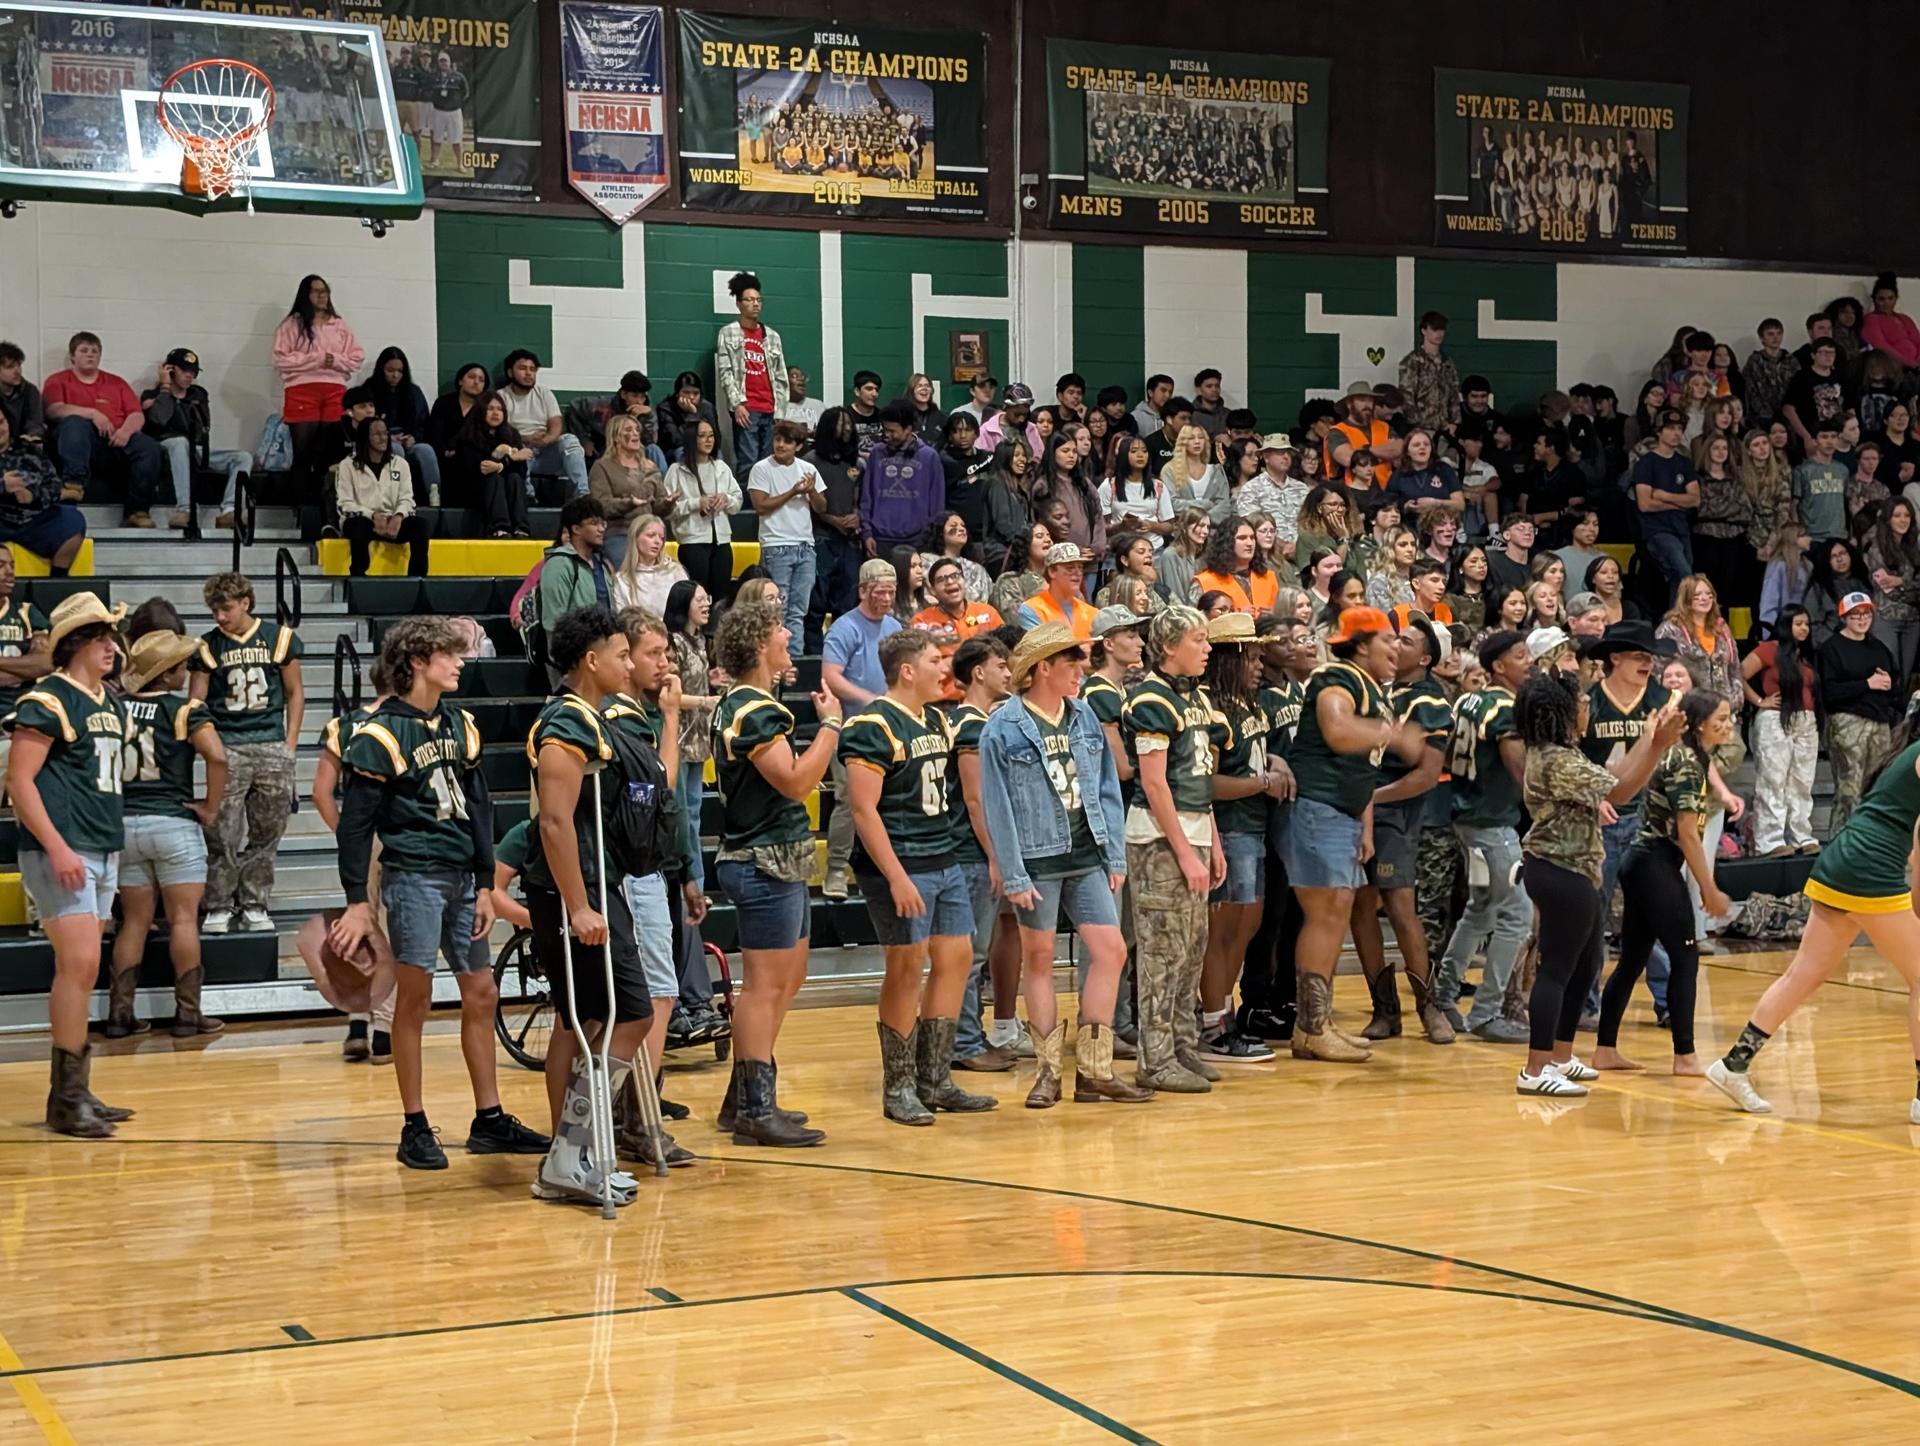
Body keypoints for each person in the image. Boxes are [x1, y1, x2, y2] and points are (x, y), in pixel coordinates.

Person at [331, 618, 543, 1171]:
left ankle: (489, 1118)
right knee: (415, 1000)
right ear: (417, 662)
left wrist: (483, 883)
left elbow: (480, 810)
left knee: (482, 995)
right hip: (413, 877)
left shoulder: (461, 724)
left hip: (460, 880)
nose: (461, 662)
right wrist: (358, 899)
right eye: (449, 655)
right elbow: (355, 826)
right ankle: (415, 1122)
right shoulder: (378, 735)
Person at [1707, 718, 1920, 1118]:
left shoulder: (1905, 758)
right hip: (1869, 867)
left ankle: (1734, 1064)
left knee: (1802, 975)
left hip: (1843, 857)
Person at [978, 623, 1147, 1107]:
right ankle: (1048, 1072)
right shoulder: (1003, 726)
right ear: (1042, 669)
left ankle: (1094, 1071)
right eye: (1071, 663)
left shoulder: (1084, 716)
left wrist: (1113, 852)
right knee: (1039, 959)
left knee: (1111, 950)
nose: (1080, 671)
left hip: (1086, 854)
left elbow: (1106, 790)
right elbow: (997, 807)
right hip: (1036, 860)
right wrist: (1012, 872)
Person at [513, 609, 650, 1202]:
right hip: (574, 894)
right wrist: (577, 905)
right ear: (592, 662)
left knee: (605, 1019)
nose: (629, 663)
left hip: (599, 884)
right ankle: (567, 1156)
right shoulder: (566, 722)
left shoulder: (590, 717)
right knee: (629, 1013)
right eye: (621, 654)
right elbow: (553, 820)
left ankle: (576, 1152)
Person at [839, 630, 996, 1123]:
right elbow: (864, 811)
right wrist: (897, 877)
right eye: (934, 661)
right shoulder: (871, 725)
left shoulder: (937, 720)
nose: (943, 670)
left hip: (943, 855)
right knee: (906, 968)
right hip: (901, 864)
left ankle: (935, 1078)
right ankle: (899, 1086)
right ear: (907, 670)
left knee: (957, 957)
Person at [1512, 673, 1684, 1096]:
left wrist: (1649, 737)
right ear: (1562, 712)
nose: (1587, 705)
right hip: (1559, 869)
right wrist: (1659, 745)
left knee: (1587, 964)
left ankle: (1561, 1056)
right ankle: (1535, 1070)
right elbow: (1622, 792)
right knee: (1556, 968)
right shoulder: (1557, 761)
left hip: (1575, 868)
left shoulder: (1562, 754)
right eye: (1580, 702)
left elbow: (1617, 775)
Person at [710, 601, 839, 1143]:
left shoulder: (755, 702)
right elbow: (794, 781)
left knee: (789, 977)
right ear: (761, 644)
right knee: (762, 988)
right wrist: (831, 727)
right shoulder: (752, 709)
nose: (789, 635)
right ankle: (756, 1112)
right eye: (779, 629)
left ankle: (742, 1097)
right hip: (760, 858)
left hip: (780, 857)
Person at [11, 595, 130, 1135]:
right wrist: (58, 847)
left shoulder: (110, 700)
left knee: (86, 967)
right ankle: (65, 1099)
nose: (113, 647)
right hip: (63, 846)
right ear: (75, 644)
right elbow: (19, 782)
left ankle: (76, 1087)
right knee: (77, 965)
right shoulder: (48, 698)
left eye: (113, 637)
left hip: (103, 843)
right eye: (102, 638)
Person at [1283, 605, 1420, 1061]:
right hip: (1318, 809)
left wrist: (1364, 827)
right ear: (1360, 645)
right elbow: (1338, 731)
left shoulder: (1374, 690)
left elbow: (1365, 769)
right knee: (1326, 913)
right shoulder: (1334, 677)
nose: (1396, 648)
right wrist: (1393, 735)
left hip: (1342, 814)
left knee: (1336, 912)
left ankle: (1315, 1025)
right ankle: (1311, 1027)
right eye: (1387, 640)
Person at [603, 609, 703, 1166]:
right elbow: (661, 789)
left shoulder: (632, 712)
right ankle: (639, 1117)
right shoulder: (628, 717)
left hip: (655, 867)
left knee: (650, 997)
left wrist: (686, 869)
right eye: (653, 655)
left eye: (667, 654)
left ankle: (633, 1111)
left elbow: (674, 815)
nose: (665, 664)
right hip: (633, 873)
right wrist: (669, 718)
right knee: (657, 996)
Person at [1594, 688, 1735, 1076]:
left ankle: (1605, 1050)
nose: (1728, 725)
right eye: (1720, 718)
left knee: (1634, 959)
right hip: (1654, 861)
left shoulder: (1690, 756)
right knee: (1685, 955)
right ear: (1698, 723)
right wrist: (1709, 890)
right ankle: (1685, 1056)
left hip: (1644, 861)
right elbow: (1688, 834)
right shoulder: (1687, 762)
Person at [1120, 607, 1229, 1089]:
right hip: (1159, 840)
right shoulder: (1149, 700)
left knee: (1193, 947)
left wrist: (1213, 841)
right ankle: (1155, 1057)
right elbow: (1154, 783)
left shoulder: (1199, 699)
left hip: (1195, 831)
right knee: (1162, 951)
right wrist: (1185, 851)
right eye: (1199, 640)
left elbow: (1199, 781)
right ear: (1169, 647)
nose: (1207, 649)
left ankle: (1184, 1045)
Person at [108, 630, 229, 1039]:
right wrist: (210, 807)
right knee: (182, 920)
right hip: (172, 821)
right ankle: (188, 1015)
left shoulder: (112, 708)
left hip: (123, 824)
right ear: (165, 675)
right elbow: (217, 755)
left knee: (134, 923)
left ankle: (120, 1015)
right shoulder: (185, 711)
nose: (184, 671)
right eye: (179, 666)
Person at [1352, 614, 1457, 1044]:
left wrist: (1373, 799)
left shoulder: (1429, 701)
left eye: (1407, 642)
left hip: (1394, 813)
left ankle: (1429, 1005)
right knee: (1359, 906)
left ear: (1426, 657)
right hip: (1357, 809)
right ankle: (1384, 1009)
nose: (1397, 646)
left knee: (1400, 907)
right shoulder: (1375, 690)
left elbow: (1427, 775)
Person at [1432, 629, 1534, 1042]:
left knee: (1481, 909)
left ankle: (1442, 995)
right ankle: (1486, 1012)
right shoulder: (1505, 707)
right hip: (1492, 822)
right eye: (1521, 655)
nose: (1529, 661)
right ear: (1498, 666)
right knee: (1518, 915)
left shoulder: (1469, 698)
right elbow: (1517, 767)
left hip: (1466, 814)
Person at [1196, 611, 1289, 1061]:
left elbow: (1258, 758)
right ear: (1229, 660)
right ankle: (1213, 1024)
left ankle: (1222, 1014)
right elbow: (1206, 783)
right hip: (1230, 828)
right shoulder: (1213, 709)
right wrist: (1259, 784)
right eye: (1250, 656)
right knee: (1224, 933)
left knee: (1246, 929)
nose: (1259, 663)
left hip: (1255, 827)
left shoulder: (1251, 704)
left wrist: (1276, 766)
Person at [189, 572, 302, 933]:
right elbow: (196, 702)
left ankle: (255, 902)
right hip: (228, 745)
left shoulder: (279, 639)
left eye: (225, 609)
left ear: (245, 603)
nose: (220, 617)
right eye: (214, 610)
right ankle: (219, 903)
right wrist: (209, 747)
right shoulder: (207, 646)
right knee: (222, 831)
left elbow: (295, 692)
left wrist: (290, 744)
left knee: (268, 830)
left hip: (271, 742)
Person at [819, 560, 904, 898]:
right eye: (880, 592)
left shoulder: (894, 624)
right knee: (847, 798)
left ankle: (882, 865)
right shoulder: (845, 628)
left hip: (887, 728)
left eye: (891, 592)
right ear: (864, 591)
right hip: (851, 728)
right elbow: (831, 676)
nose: (886, 599)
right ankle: (837, 868)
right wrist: (869, 698)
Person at [43, 331, 165, 523]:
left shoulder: (117, 383)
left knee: (149, 447)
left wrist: (126, 431)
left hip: (115, 440)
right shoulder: (57, 380)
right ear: (73, 357)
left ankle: (137, 511)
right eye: (84, 350)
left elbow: (136, 414)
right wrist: (92, 413)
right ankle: (73, 484)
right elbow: (54, 410)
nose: (90, 354)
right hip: (78, 442)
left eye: (95, 351)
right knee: (75, 423)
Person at [270, 279, 363, 508]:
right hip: (302, 390)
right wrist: (317, 359)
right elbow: (280, 359)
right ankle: (301, 508)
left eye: (325, 291)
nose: (322, 296)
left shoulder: (339, 324)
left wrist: (335, 360)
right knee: (303, 454)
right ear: (306, 294)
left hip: (334, 390)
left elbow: (356, 357)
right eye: (317, 291)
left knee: (329, 454)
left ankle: (327, 507)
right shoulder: (292, 324)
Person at [1819, 591, 1902, 831]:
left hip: (1879, 723)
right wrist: (1866, 684)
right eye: (1855, 615)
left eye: (1866, 614)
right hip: (1847, 722)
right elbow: (1829, 691)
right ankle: (1841, 844)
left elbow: (1896, 689)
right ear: (1844, 617)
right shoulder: (1831, 648)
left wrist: (1888, 685)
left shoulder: (1879, 647)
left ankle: (1870, 841)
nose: (1862, 619)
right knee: (1849, 790)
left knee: (1878, 788)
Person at [1744, 605, 1820, 856]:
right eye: (1798, 623)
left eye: (1806, 624)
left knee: (1802, 780)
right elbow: (1737, 674)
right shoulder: (1769, 649)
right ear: (1786, 625)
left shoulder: (1803, 655)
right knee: (1773, 779)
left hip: (1805, 720)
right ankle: (1770, 840)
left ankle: (1801, 835)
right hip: (1776, 717)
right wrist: (1758, 700)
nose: (1804, 628)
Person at [748, 419, 823, 645]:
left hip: (805, 547)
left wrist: (811, 492)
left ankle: (794, 665)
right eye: (777, 439)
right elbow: (760, 506)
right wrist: (793, 491)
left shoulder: (808, 469)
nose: (780, 445)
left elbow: (822, 507)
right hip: (776, 546)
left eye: (787, 441)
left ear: (798, 446)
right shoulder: (761, 468)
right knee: (776, 611)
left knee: (798, 612)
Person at [334, 417, 428, 577]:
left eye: (385, 433)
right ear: (365, 437)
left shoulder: (400, 464)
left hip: (392, 521)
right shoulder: (347, 465)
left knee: (420, 525)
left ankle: (417, 578)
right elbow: (344, 503)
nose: (383, 438)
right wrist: (372, 515)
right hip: (364, 520)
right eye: (377, 434)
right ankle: (358, 575)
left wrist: (398, 516)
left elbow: (407, 499)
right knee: (358, 527)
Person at [715, 271, 786, 474]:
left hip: (770, 409)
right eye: (749, 300)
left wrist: (780, 410)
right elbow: (725, 371)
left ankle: (764, 505)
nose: (755, 304)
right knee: (748, 463)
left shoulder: (772, 336)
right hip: (748, 408)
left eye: (758, 300)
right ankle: (748, 506)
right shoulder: (728, 332)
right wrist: (737, 404)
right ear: (738, 303)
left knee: (769, 465)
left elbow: (780, 377)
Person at [0, 411, 86, 574]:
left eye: (1, 422)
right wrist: (3, 485)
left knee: (73, 520)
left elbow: (54, 486)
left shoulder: (31, 452)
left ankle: (57, 581)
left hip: (33, 520)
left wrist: (32, 496)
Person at [1630, 409, 1700, 605]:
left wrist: (1664, 496)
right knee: (1685, 573)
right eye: (1670, 428)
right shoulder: (1646, 463)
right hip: (1657, 529)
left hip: (1681, 528)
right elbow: (1645, 504)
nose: (1676, 433)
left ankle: (1674, 624)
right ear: (1659, 432)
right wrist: (1679, 503)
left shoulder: (1684, 463)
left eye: (1679, 428)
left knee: (1680, 580)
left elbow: (1694, 499)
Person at [500, 349, 589, 502]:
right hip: (519, 452)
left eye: (532, 369)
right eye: (522, 368)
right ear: (510, 372)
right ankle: (528, 497)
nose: (528, 373)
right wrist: (526, 438)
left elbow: (556, 424)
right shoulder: (501, 396)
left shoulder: (544, 393)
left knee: (570, 441)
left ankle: (582, 496)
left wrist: (545, 440)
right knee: (518, 447)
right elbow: (501, 430)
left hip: (545, 453)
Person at [861, 401, 943, 558]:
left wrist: (931, 540)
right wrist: (867, 533)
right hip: (880, 539)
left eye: (892, 431)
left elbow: (937, 504)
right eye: (885, 430)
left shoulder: (929, 457)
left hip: (917, 541)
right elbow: (867, 497)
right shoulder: (876, 454)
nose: (887, 435)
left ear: (908, 429)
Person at [589, 413, 670, 567]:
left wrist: (667, 503)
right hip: (620, 534)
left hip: (649, 534)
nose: (635, 434)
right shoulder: (602, 467)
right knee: (629, 576)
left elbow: (659, 507)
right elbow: (601, 505)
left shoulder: (649, 466)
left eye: (637, 430)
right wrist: (629, 503)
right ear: (616, 437)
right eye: (628, 430)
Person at [449, 391, 532, 539]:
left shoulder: (512, 434)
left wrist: (502, 465)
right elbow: (479, 467)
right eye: (491, 408)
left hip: (505, 487)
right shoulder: (468, 435)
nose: (496, 413)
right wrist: (499, 455)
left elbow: (521, 469)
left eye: (500, 409)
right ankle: (500, 528)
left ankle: (522, 529)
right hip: (474, 488)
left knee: (514, 478)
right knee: (495, 479)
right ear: (481, 410)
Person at [536, 498, 614, 655]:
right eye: (594, 523)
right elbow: (554, 623)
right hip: (572, 657)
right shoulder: (558, 565)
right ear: (576, 529)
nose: (601, 529)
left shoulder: (602, 565)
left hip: (603, 652)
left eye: (603, 523)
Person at [365, 347, 436, 504]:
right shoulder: (370, 389)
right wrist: (388, 437)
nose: (395, 375)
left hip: (409, 439)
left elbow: (424, 423)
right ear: (381, 369)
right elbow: (366, 423)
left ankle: (434, 497)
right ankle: (397, 497)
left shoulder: (413, 391)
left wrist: (413, 438)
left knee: (426, 451)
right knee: (395, 450)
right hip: (383, 440)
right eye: (390, 370)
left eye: (399, 371)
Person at [1194, 516, 1279, 615]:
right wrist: (1234, 616)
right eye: (1242, 538)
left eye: (1252, 538)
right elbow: (1195, 622)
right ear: (1226, 542)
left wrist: (1277, 614)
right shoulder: (1205, 581)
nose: (1249, 543)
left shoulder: (1269, 578)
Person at [1017, 541, 1098, 637]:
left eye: (1080, 567)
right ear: (1052, 571)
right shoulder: (1032, 610)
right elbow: (1039, 649)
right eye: (1070, 568)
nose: (1077, 573)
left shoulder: (1092, 613)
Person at [1397, 312, 1461, 433]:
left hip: (1445, 428)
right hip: (1421, 428)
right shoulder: (1412, 361)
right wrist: (1415, 424)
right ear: (1424, 331)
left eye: (1442, 329)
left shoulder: (1447, 362)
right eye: (1434, 329)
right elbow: (1406, 396)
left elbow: (1454, 393)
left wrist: (1454, 422)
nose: (1439, 334)